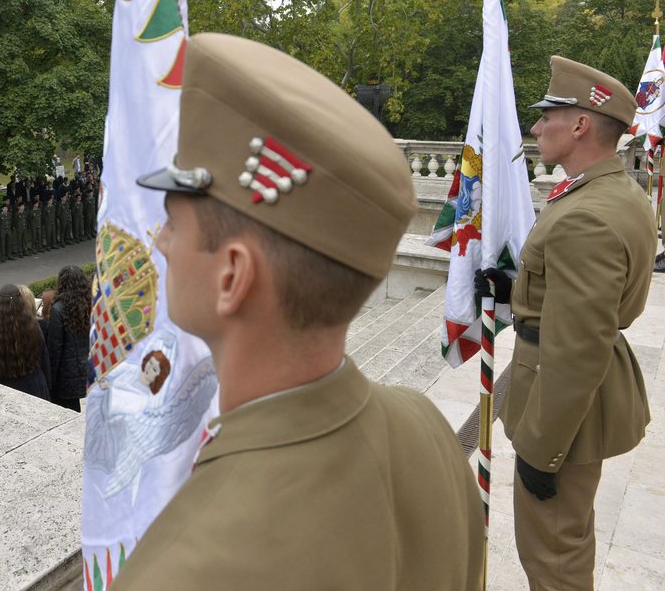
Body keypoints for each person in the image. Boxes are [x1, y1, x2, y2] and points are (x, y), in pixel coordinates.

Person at [112, 33, 484, 589]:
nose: (159, 241)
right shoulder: (423, 427)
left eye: (173, 220)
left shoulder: (181, 568)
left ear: (233, 277)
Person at [478, 57, 655, 590]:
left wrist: (543, 450)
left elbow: (578, 346)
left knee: (553, 557)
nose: (535, 128)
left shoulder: (585, 214)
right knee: (565, 540)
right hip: (576, 392)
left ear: (580, 125)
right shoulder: (606, 191)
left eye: (546, 117)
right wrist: (522, 293)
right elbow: (585, 299)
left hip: (564, 407)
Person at [0, 284, 51, 401]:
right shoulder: (33, 326)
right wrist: (47, 385)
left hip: (6, 389)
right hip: (34, 385)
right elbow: (44, 358)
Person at [46, 265, 91, 412]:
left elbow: (55, 348)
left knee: (69, 412)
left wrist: (50, 378)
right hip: (89, 367)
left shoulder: (58, 309)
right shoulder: (90, 303)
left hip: (67, 373)